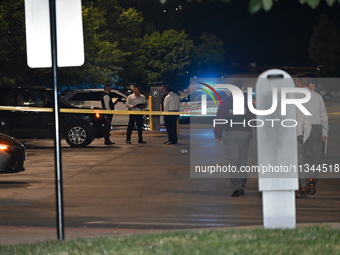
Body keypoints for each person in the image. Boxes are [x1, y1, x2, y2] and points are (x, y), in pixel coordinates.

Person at [213, 80, 254, 197]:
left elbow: (220, 118)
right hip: (245, 133)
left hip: (230, 134)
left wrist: (218, 134)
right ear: (241, 88)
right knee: (242, 161)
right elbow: (253, 116)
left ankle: (237, 187)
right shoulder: (247, 101)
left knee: (233, 162)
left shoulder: (225, 102)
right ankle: (242, 185)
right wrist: (251, 131)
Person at [296, 76, 329, 195]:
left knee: (302, 158)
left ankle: (303, 183)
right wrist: (325, 132)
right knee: (316, 157)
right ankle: (313, 178)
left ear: (298, 83)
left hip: (301, 129)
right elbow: (323, 115)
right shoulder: (317, 96)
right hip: (316, 127)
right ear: (309, 83)